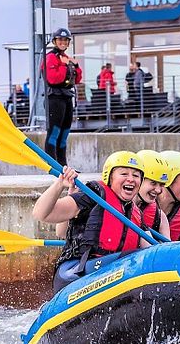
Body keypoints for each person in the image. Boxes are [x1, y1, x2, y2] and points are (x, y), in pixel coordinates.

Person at [32, 151, 148, 293]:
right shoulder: (92, 196)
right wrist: (60, 184)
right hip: (75, 273)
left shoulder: (136, 214)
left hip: (111, 272)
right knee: (130, 258)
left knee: (139, 256)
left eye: (136, 176)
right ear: (110, 177)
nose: (131, 179)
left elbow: (149, 251)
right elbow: (41, 214)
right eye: (124, 174)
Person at [42, 28, 83, 166]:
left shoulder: (65, 58)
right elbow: (53, 79)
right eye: (60, 40)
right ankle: (52, 165)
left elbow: (76, 79)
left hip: (66, 97)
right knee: (54, 132)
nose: (63, 42)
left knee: (64, 133)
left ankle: (63, 165)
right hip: (54, 98)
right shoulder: (50, 57)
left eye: (65, 40)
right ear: (55, 41)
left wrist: (75, 66)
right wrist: (65, 66)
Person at [133, 150, 172, 239]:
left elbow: (167, 251)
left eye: (162, 184)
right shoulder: (112, 207)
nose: (158, 190)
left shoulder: (160, 217)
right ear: (138, 178)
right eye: (153, 183)